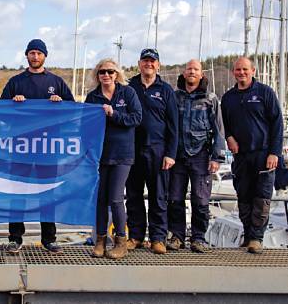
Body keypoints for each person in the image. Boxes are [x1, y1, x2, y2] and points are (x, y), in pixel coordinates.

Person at [0, 38, 74, 254]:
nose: (35, 56)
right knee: (18, 193)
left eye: (39, 53)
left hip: (47, 147)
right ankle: (15, 238)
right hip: (21, 146)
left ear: (45, 56)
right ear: (27, 56)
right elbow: (1, 110)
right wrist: (13, 103)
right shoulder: (15, 82)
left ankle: (49, 238)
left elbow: (72, 110)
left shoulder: (57, 82)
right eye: (31, 53)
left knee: (47, 193)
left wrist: (61, 103)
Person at [221, 56, 283, 254]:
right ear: (233, 72)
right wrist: (229, 137)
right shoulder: (229, 97)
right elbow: (224, 125)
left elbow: (277, 124)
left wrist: (274, 152)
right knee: (244, 198)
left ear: (253, 71)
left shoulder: (265, 93)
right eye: (238, 70)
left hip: (264, 154)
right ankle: (248, 236)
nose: (242, 73)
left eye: (245, 70)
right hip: (241, 156)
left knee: (261, 198)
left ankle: (257, 238)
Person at [85, 59, 142, 259]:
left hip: (122, 154)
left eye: (110, 71)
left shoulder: (128, 93)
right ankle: (100, 240)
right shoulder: (92, 97)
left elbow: (136, 118)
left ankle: (120, 241)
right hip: (101, 154)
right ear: (97, 75)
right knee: (100, 199)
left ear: (116, 74)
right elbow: (85, 126)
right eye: (102, 72)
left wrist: (114, 114)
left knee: (116, 198)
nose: (106, 75)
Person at [167, 59, 225, 253]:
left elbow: (219, 130)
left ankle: (198, 238)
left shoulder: (210, 99)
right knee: (174, 198)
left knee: (200, 201)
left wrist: (217, 157)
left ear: (201, 74)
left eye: (196, 69)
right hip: (177, 156)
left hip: (201, 155)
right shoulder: (174, 97)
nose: (192, 72)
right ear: (184, 74)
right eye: (189, 69)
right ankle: (177, 236)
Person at [126, 48, 178, 254]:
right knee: (133, 195)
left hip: (158, 150)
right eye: (145, 61)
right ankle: (136, 236)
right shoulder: (128, 87)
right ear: (139, 64)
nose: (148, 64)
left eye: (152, 61)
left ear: (158, 65)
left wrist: (171, 154)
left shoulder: (165, 90)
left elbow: (174, 125)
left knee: (158, 196)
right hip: (131, 149)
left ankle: (158, 238)